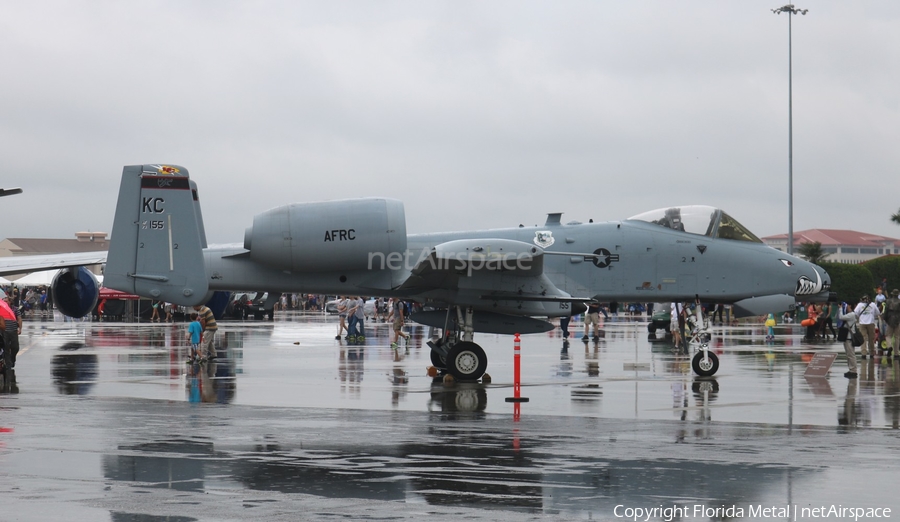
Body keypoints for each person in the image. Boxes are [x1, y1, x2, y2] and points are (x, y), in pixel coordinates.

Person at [0, 290, 20, 370]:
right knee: (6, 348)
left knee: (15, 347)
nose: (5, 302)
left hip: (13, 330)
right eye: (4, 301)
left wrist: (20, 328)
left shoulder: (14, 309)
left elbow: (19, 319)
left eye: (6, 301)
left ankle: (12, 359)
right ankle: (8, 364)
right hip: (4, 333)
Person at [837, 303, 859, 378]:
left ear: (850, 306)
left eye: (847, 306)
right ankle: (851, 369)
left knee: (851, 355)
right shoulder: (851, 314)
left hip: (849, 338)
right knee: (849, 355)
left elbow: (841, 317)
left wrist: (840, 309)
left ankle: (853, 371)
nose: (846, 308)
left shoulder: (851, 314)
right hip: (847, 337)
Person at [883, 289, 900, 358]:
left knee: (888, 335)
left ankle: (889, 346)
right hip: (898, 319)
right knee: (897, 337)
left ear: (892, 294)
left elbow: (886, 310)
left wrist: (885, 318)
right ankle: (896, 353)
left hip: (890, 318)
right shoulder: (899, 301)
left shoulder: (888, 301)